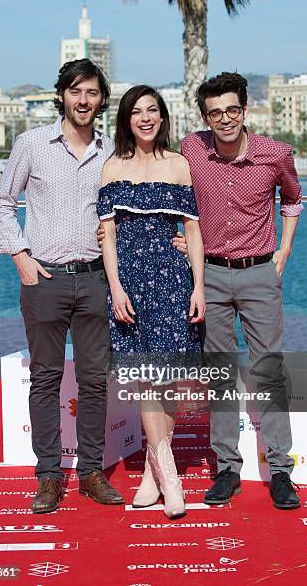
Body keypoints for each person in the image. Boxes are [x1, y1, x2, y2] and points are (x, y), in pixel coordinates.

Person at [0, 59, 124, 513]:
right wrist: (21, 256)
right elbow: (3, 204)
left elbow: (126, 212)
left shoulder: (111, 151)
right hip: (43, 278)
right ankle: (48, 475)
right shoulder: (32, 144)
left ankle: (90, 472)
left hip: (95, 281)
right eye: (75, 92)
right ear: (62, 96)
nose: (83, 101)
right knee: (45, 378)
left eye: (91, 93)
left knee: (94, 381)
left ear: (101, 99)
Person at [181, 72, 303, 509]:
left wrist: (284, 249)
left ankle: (282, 471)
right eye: (215, 113)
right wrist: (181, 238)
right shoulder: (191, 149)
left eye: (232, 110)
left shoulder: (275, 153)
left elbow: (292, 200)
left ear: (245, 110)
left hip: (259, 274)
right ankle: (227, 469)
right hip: (209, 275)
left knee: (268, 369)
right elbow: (174, 199)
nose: (225, 119)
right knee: (219, 374)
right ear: (205, 117)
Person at [97, 85, 205, 518]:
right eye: (137, 111)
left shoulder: (179, 166)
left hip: (172, 282)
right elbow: (107, 238)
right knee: (145, 378)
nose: (145, 117)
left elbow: (193, 232)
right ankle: (171, 479)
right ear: (126, 119)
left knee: (166, 379)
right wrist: (116, 287)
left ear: (162, 118)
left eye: (153, 110)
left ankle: (151, 473)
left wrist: (198, 285)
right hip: (129, 284)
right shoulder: (111, 168)